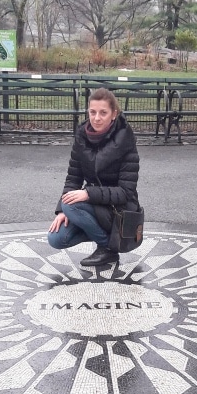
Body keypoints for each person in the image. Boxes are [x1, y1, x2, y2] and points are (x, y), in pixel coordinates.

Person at [48, 87, 140, 267]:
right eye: (92, 112)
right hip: (94, 205)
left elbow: (126, 192)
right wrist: (61, 211)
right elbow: (73, 177)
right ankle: (105, 239)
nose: (97, 118)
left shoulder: (126, 141)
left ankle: (107, 248)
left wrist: (88, 194)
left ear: (114, 114)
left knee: (71, 205)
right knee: (56, 239)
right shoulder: (82, 137)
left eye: (103, 113)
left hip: (119, 209)